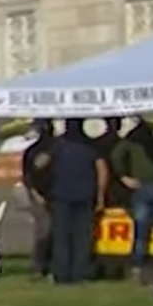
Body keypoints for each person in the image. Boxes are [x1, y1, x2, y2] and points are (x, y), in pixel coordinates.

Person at [110, 117, 153, 285]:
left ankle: (138, 268)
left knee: (140, 229)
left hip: (142, 186)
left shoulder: (133, 138)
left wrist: (123, 176)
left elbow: (116, 155)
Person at [47, 119, 108, 286]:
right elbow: (102, 171)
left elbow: (42, 163)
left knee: (61, 236)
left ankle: (62, 273)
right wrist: (100, 196)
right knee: (83, 237)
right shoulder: (91, 145)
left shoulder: (58, 145)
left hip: (61, 195)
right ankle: (79, 272)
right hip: (85, 195)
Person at [21, 120, 57, 281]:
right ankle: (39, 266)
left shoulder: (57, 148)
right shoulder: (32, 151)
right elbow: (27, 177)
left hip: (55, 194)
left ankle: (50, 265)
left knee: (53, 232)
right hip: (40, 195)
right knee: (44, 231)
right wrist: (35, 194)